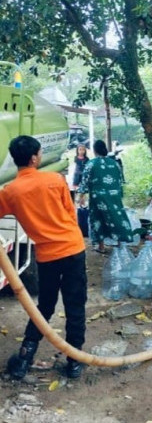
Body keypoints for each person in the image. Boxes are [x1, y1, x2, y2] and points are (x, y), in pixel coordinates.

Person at [0, 136, 87, 379]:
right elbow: (71, 214)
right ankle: (75, 361)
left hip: (46, 256)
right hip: (72, 249)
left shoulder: (10, 192)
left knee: (44, 306)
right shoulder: (55, 180)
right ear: (34, 158)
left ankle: (24, 358)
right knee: (75, 304)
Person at [77, 140, 133, 253]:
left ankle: (101, 246)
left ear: (94, 150)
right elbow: (121, 179)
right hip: (114, 195)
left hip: (98, 197)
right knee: (116, 216)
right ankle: (119, 243)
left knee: (98, 219)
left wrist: (81, 196)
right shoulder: (115, 163)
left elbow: (84, 182)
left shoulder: (91, 163)